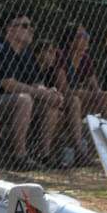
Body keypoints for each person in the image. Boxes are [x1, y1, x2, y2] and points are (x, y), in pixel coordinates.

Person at [0, 11, 65, 166]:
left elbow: (35, 82)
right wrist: (41, 93)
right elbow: (9, 84)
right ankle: (19, 156)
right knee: (25, 100)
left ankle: (44, 155)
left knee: (50, 104)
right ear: (10, 29)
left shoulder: (25, 53)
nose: (31, 30)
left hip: (11, 103)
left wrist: (48, 92)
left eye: (31, 26)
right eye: (25, 26)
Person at [35, 37, 83, 166]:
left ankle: (78, 150)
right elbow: (36, 86)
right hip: (34, 100)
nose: (53, 56)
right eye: (49, 52)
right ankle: (45, 155)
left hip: (47, 100)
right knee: (54, 111)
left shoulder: (50, 70)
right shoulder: (32, 64)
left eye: (54, 52)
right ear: (38, 54)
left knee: (74, 101)